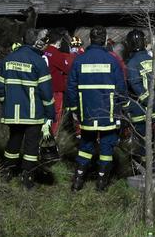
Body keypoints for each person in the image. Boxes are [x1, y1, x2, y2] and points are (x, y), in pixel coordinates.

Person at [65, 26, 126, 192]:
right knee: (107, 147)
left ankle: (78, 181)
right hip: (108, 112)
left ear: (90, 40)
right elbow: (121, 88)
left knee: (85, 145)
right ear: (105, 40)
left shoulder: (79, 60)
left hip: (87, 112)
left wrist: (75, 109)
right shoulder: (112, 60)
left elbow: (71, 88)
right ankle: (101, 183)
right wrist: (122, 108)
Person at [0, 28, 55, 189]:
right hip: (33, 113)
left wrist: (5, 103)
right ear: (36, 42)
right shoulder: (38, 61)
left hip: (13, 112)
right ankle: (27, 178)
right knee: (31, 145)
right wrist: (50, 113)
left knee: (13, 141)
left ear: (23, 40)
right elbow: (46, 92)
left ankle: (7, 172)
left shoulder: (8, 59)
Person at [124, 29, 155, 170]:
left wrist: (151, 103)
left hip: (140, 111)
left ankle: (145, 168)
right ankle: (151, 165)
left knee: (141, 142)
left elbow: (136, 88)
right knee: (151, 140)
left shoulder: (131, 64)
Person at [43, 31, 71, 137]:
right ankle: (52, 137)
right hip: (55, 89)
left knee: (44, 113)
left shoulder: (44, 51)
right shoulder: (57, 54)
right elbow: (67, 69)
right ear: (58, 41)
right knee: (55, 113)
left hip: (43, 87)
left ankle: (43, 134)